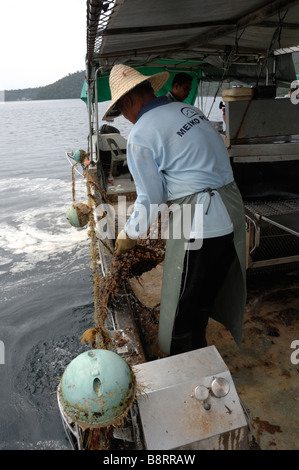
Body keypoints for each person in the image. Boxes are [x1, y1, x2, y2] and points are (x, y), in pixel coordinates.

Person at [102, 64, 247, 356]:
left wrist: (128, 234)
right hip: (232, 213)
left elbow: (151, 197)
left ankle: (184, 360)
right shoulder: (189, 112)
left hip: (196, 221)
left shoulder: (142, 133)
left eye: (123, 111)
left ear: (128, 100)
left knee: (180, 300)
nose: (127, 119)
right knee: (204, 292)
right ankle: (199, 346)